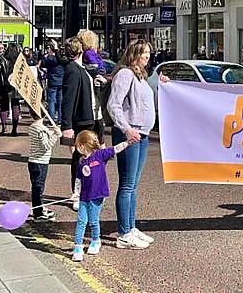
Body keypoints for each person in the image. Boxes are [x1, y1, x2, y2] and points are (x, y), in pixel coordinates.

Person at [107, 39, 168, 249]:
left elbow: (150, 93)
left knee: (133, 185)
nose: (147, 57)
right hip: (130, 134)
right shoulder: (125, 74)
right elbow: (114, 105)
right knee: (126, 184)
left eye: (149, 53)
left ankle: (130, 227)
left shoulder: (141, 76)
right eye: (144, 53)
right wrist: (126, 129)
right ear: (134, 54)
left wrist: (162, 83)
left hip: (142, 134)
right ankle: (124, 233)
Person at [71, 130, 135, 261]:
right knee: (81, 221)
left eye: (77, 145)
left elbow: (115, 149)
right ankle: (78, 246)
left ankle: (96, 240)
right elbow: (78, 180)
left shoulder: (100, 155)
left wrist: (128, 143)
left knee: (93, 221)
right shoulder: (81, 163)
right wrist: (76, 193)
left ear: (83, 145)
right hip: (84, 196)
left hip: (97, 195)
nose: (76, 147)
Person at [60, 37, 96, 211]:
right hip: (81, 120)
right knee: (79, 158)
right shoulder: (73, 70)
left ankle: (85, 192)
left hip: (89, 118)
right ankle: (77, 193)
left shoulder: (80, 68)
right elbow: (68, 99)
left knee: (87, 158)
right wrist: (66, 126)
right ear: (80, 50)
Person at [27, 106, 61, 222]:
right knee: (38, 188)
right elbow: (46, 146)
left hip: (34, 161)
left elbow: (44, 136)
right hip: (40, 162)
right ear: (44, 115)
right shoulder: (40, 130)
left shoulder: (34, 127)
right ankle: (38, 213)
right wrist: (56, 135)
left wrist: (53, 131)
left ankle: (39, 208)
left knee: (37, 187)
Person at [0, 44, 22, 136]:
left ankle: (4, 128)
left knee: (4, 106)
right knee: (15, 106)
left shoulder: (2, 59)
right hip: (15, 86)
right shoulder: (20, 60)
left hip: (3, 85)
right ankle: (14, 129)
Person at [41, 45, 64, 125]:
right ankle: (60, 120)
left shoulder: (49, 58)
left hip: (52, 81)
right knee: (60, 101)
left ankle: (51, 119)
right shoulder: (61, 59)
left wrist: (45, 56)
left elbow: (43, 64)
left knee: (51, 101)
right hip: (61, 81)